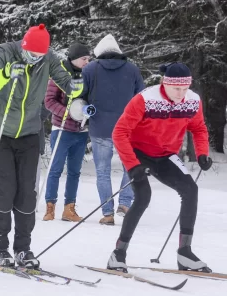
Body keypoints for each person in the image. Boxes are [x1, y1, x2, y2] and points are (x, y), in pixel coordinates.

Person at [0, 24, 77, 268]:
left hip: (30, 132)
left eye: (39, 55)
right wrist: (5, 74)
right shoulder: (4, 51)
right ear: (23, 46)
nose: (34, 59)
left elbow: (65, 79)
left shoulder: (49, 59)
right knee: (6, 189)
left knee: (27, 193)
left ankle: (23, 248)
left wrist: (76, 87)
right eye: (30, 54)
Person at [106, 63, 212, 272]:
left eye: (185, 88)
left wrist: (202, 153)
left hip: (166, 155)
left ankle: (185, 253)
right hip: (139, 153)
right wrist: (133, 165)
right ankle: (118, 254)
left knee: (191, 190)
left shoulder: (192, 101)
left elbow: (198, 128)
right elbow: (119, 133)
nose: (181, 94)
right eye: (176, 89)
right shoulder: (145, 99)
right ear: (165, 83)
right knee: (143, 196)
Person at [79, 34, 145, 225]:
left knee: (102, 171)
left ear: (99, 53)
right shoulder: (132, 70)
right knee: (130, 168)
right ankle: (125, 203)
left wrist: (86, 109)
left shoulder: (90, 69)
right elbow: (141, 98)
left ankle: (107, 214)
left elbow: (80, 96)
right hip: (128, 129)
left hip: (100, 128)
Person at [42, 42, 91, 222]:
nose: (87, 62)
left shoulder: (89, 76)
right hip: (61, 129)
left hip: (81, 130)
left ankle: (69, 208)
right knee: (55, 169)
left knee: (74, 171)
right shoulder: (60, 75)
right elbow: (49, 101)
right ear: (74, 59)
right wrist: (68, 112)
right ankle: (50, 207)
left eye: (88, 59)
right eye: (84, 59)